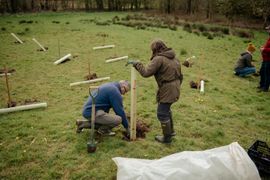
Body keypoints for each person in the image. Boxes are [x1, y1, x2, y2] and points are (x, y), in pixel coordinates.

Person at [127, 39, 183, 144]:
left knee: (161, 113)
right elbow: (181, 76)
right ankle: (171, 132)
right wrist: (175, 86)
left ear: (155, 49)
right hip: (175, 86)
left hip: (168, 88)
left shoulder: (159, 59)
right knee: (166, 109)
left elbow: (146, 73)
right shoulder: (174, 58)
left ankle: (167, 138)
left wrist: (137, 63)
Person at [258, 25, 270, 92]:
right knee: (262, 72)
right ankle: (261, 85)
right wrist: (263, 48)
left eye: (268, 29)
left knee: (267, 74)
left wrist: (264, 49)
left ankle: (265, 88)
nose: (267, 31)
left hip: (269, 60)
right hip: (265, 59)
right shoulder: (269, 38)